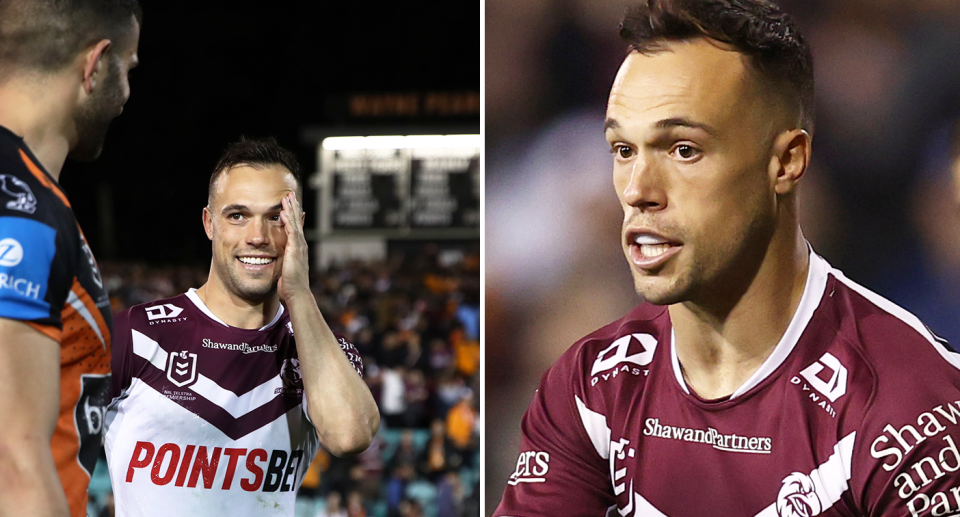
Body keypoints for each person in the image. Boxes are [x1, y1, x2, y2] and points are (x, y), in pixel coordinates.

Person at [494, 1, 960, 516]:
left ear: (786, 162)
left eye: (684, 150)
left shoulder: (909, 408)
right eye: (624, 150)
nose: (637, 191)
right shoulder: (591, 385)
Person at [103, 138, 380, 514]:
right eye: (237, 215)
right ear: (209, 223)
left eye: (275, 218)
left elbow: (350, 436)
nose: (257, 237)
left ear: (298, 226)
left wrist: (298, 294)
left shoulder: (320, 351)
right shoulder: (135, 335)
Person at [0, 1, 141, 516]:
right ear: (95, 63)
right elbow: (12, 461)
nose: (125, 93)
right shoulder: (20, 204)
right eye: (127, 68)